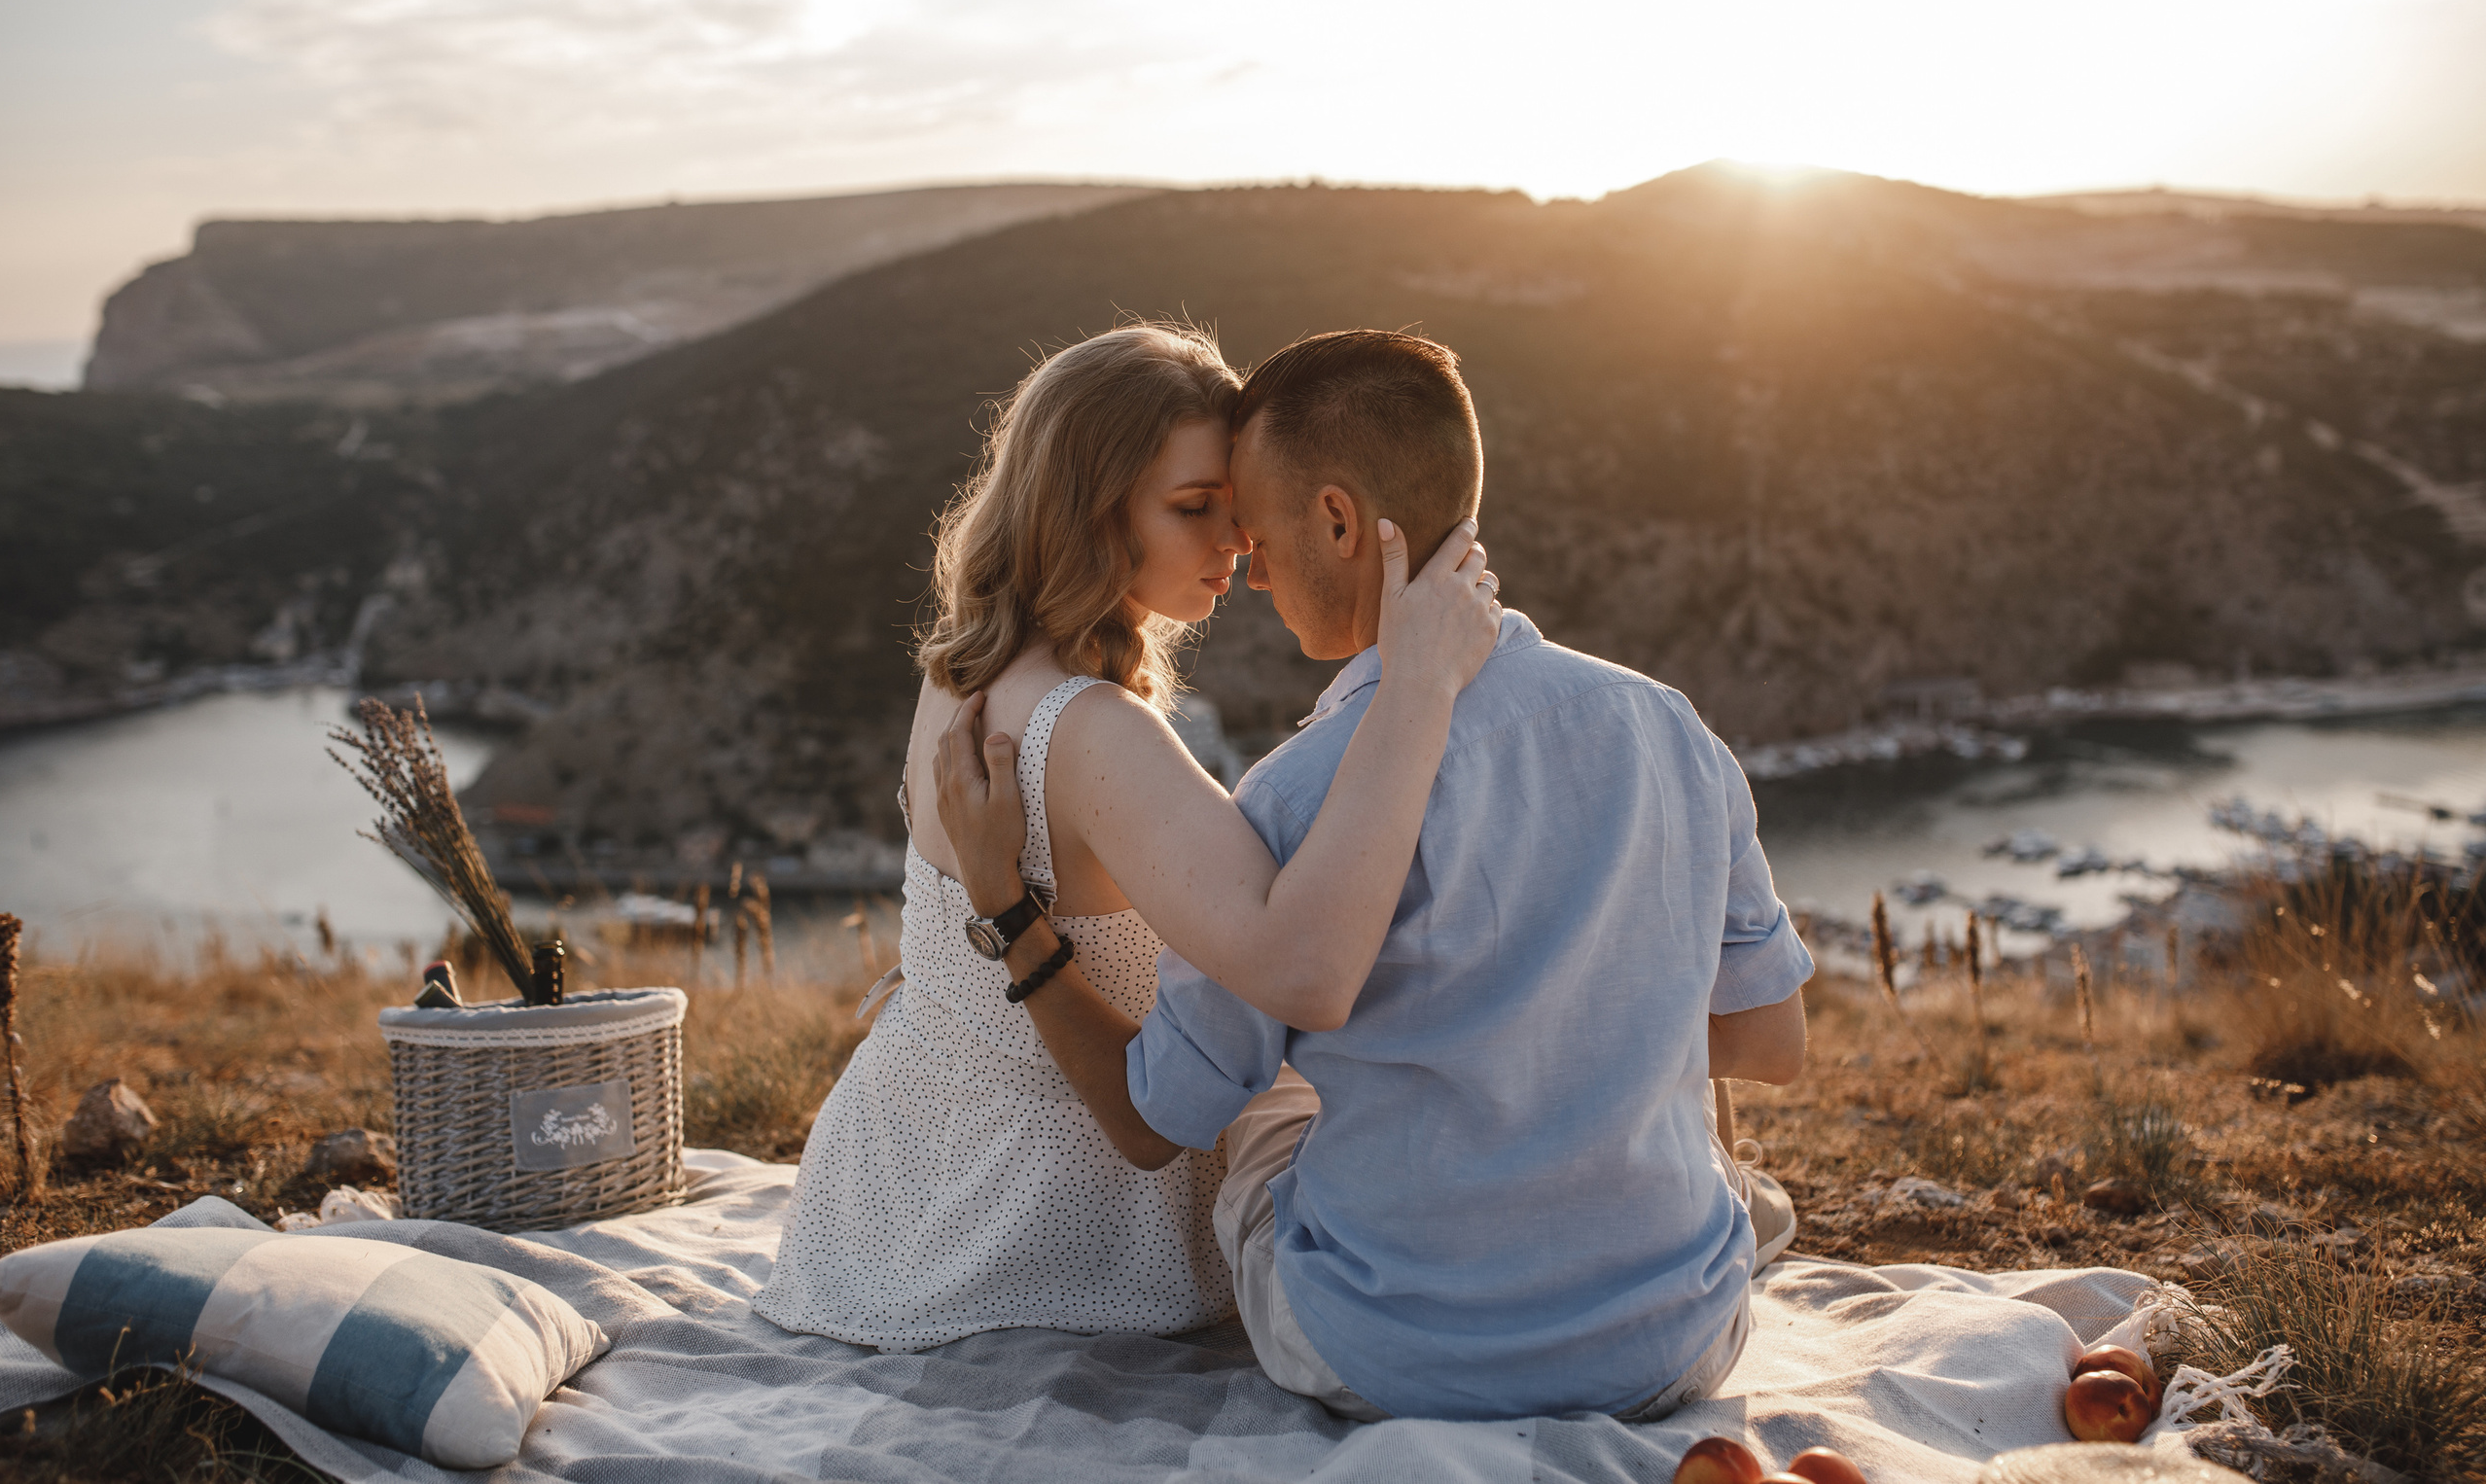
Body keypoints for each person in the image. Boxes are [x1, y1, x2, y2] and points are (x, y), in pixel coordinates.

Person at [937, 329, 1812, 1422]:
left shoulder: (1295, 802)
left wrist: (1012, 919)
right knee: (1649, 1068)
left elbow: (1154, 1116)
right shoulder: (1671, 730)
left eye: (1255, 531)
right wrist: (1565, 1031)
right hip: (1674, 1347)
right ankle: (1670, 1220)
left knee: (1271, 1102)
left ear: (1339, 521)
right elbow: (1771, 1044)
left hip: (1390, 1355)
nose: (1245, 565)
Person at [754, 322, 1501, 1350]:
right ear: (1087, 511)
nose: (1236, 545)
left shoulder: (961, 668)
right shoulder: (1093, 730)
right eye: (1193, 509)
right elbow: (1303, 967)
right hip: (1049, 1225)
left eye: (1234, 511)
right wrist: (1418, 688)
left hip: (891, 1195)